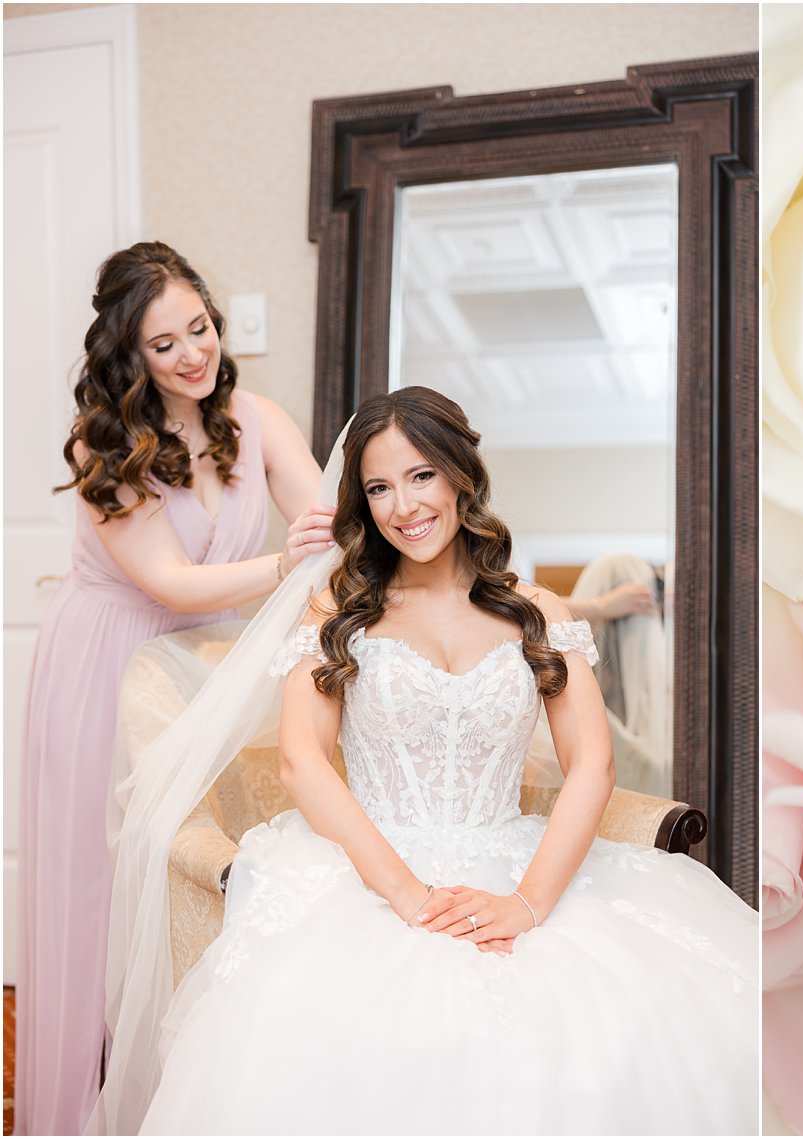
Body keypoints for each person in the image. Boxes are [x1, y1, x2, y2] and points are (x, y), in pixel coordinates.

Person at [100, 387, 757, 1134]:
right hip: (367, 872)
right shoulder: (337, 613)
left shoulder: (541, 612)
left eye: (420, 476)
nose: (402, 505)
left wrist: (529, 903)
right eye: (378, 487)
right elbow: (301, 763)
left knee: (636, 1029)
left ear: (459, 475)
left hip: (514, 865)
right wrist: (408, 895)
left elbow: (592, 768)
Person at [16, 242, 334, 1136]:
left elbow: (329, 525)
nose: (194, 354)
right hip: (106, 663)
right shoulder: (103, 443)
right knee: (102, 888)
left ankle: (175, 1102)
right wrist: (284, 564)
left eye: (200, 328)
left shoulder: (256, 418)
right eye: (165, 344)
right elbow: (169, 583)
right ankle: (82, 1112)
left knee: (185, 878)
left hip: (207, 666)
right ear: (128, 356)